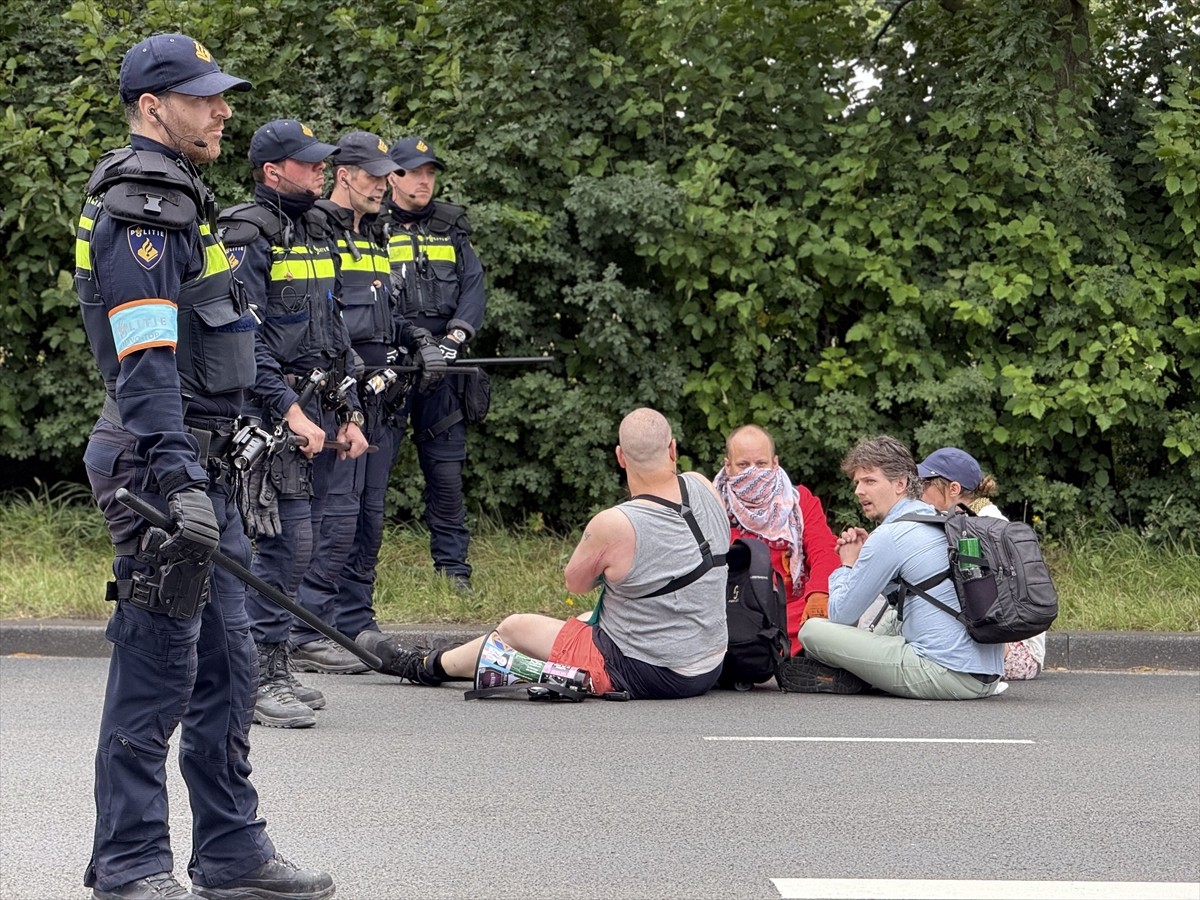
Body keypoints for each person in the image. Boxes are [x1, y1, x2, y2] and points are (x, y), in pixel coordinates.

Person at [75, 33, 333, 899]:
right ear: (153, 107)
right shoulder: (144, 209)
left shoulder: (181, 195)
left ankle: (231, 852)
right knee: (158, 671)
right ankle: (130, 864)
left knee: (228, 666)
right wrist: (181, 480)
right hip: (162, 468)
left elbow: (220, 342)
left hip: (197, 465)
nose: (223, 110)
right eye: (203, 97)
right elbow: (145, 363)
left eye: (222, 95)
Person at [358, 408, 731, 700]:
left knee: (515, 628)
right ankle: (454, 652)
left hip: (651, 671)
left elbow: (576, 583)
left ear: (620, 457)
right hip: (708, 662)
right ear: (673, 449)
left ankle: (426, 665)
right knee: (583, 619)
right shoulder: (702, 485)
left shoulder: (616, 523)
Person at [220, 119, 369, 728]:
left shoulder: (315, 230)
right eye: (308, 163)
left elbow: (334, 331)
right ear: (272, 171)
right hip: (268, 413)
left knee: (296, 546)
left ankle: (274, 663)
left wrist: (349, 411)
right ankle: (258, 675)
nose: (319, 171)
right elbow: (242, 337)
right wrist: (289, 408)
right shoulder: (246, 234)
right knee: (283, 545)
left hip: (312, 409)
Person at [313, 131, 446, 647]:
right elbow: (317, 322)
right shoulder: (317, 233)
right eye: (372, 176)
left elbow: (389, 315)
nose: (381, 186)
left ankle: (355, 622)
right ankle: (311, 626)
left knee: (368, 517)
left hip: (381, 403)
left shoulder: (376, 235)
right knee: (334, 517)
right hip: (337, 401)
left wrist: (419, 342)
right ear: (343, 175)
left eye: (386, 176)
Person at [781, 436, 1007, 699]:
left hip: (945, 674)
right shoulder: (940, 519)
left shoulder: (890, 536)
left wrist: (847, 564)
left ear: (901, 484)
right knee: (892, 617)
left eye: (870, 481)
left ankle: (857, 675)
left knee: (812, 631)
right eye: (857, 483)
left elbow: (841, 616)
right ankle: (863, 673)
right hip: (988, 675)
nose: (858, 491)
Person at [382, 136, 487, 593]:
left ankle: (453, 571)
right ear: (392, 176)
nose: (424, 181)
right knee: (369, 476)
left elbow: (473, 287)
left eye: (430, 173)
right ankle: (354, 574)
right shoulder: (371, 225)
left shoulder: (451, 226)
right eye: (414, 172)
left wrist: (454, 339)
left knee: (445, 475)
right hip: (393, 365)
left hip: (444, 368)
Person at [918, 446, 1046, 680]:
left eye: (926, 484)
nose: (920, 491)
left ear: (953, 489)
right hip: (1014, 643)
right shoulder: (976, 518)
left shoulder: (981, 527)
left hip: (1016, 653)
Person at [713, 425, 840, 655]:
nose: (753, 473)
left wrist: (818, 594)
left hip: (793, 611)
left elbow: (824, 550)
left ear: (775, 463)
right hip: (732, 610)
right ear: (727, 466)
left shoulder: (799, 501)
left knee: (834, 605)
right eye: (743, 465)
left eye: (761, 464)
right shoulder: (713, 506)